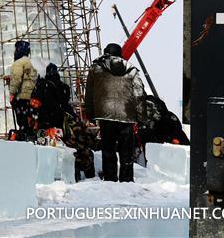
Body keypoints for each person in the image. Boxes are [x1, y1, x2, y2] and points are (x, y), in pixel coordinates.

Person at [83, 43, 146, 182]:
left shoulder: (96, 69)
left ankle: (110, 179)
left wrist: (90, 114)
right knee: (126, 151)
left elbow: (89, 94)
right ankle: (127, 179)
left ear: (106, 53)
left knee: (108, 149)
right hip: (127, 116)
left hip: (105, 115)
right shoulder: (132, 70)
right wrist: (141, 117)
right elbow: (139, 94)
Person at [8, 40, 38, 138]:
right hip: (31, 96)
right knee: (29, 120)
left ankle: (24, 136)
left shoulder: (18, 63)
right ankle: (29, 134)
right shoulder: (31, 63)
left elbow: (16, 79)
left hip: (22, 96)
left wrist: (12, 93)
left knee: (22, 120)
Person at [31, 63, 74, 130]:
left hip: (45, 119)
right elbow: (65, 101)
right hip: (60, 118)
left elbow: (35, 100)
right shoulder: (64, 87)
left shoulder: (42, 85)